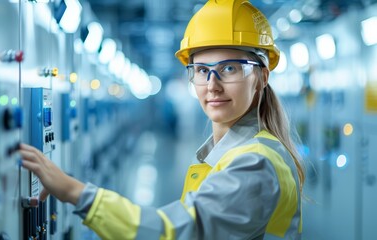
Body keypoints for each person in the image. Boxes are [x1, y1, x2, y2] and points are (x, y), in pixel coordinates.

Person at [19, 0, 305, 239]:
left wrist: (74, 191)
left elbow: (175, 232)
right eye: (202, 70)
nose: (213, 85)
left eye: (230, 68)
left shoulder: (256, 164)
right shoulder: (233, 153)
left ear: (261, 77)